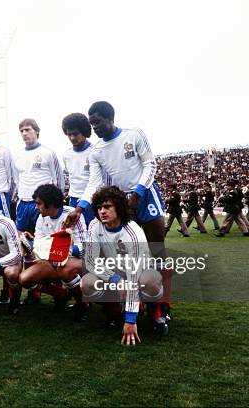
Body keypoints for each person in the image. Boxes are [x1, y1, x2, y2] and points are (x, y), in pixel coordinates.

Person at [63, 101, 171, 326]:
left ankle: (160, 307)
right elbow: (94, 182)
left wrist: (138, 193)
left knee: (156, 251)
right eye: (92, 124)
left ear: (110, 118)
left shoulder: (134, 134)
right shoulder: (97, 151)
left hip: (145, 195)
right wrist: (79, 209)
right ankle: (130, 304)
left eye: (98, 122)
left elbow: (150, 165)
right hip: (121, 202)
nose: (95, 128)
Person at [82, 186, 165, 343]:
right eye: (99, 207)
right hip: (116, 273)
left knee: (149, 280)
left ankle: (154, 313)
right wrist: (115, 280)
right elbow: (91, 260)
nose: (102, 211)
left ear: (119, 207)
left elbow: (134, 275)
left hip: (140, 273)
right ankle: (114, 312)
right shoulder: (95, 225)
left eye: (107, 207)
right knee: (86, 283)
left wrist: (130, 321)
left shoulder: (133, 232)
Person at [18, 184, 88, 321]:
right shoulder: (41, 218)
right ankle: (62, 294)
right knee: (24, 279)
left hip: (76, 260)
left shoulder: (72, 215)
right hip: (52, 259)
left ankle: (82, 304)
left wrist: (61, 251)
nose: (35, 207)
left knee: (65, 270)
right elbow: (40, 244)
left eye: (39, 204)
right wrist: (30, 245)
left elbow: (83, 247)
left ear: (50, 204)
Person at [14, 118, 65, 234]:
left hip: (41, 203)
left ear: (36, 131)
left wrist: (55, 202)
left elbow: (58, 180)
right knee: (23, 238)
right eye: (21, 131)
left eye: (27, 129)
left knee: (43, 237)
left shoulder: (48, 152)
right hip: (23, 203)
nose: (24, 133)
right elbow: (16, 180)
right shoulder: (17, 155)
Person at [61, 113, 95, 226]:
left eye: (75, 134)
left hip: (91, 201)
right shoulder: (66, 154)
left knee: (92, 234)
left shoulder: (95, 152)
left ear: (85, 132)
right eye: (69, 134)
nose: (72, 138)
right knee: (75, 234)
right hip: (73, 201)